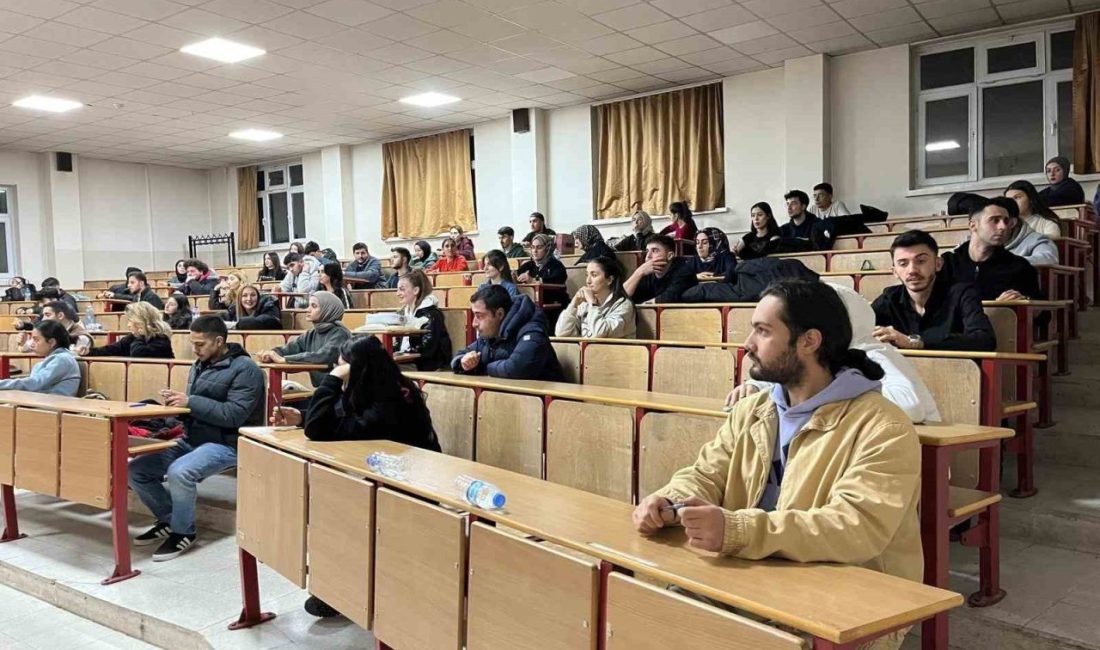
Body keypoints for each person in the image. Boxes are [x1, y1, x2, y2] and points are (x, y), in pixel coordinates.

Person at [633, 280, 922, 643]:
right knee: (640, 606)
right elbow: (707, 473)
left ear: (809, 341)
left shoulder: (884, 427)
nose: (747, 344)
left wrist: (737, 530)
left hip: (848, 599)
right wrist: (670, 501)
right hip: (756, 573)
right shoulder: (754, 410)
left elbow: (855, 529)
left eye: (763, 331)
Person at [269, 335, 440, 619]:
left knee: (345, 515)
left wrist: (333, 378)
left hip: (408, 489)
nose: (340, 373)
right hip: (377, 479)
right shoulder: (371, 387)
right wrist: (300, 416)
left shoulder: (392, 401)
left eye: (343, 367)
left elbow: (321, 430)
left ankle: (350, 589)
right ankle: (340, 587)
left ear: (357, 370)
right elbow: (334, 419)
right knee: (333, 508)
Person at [129, 315, 265, 561]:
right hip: (192, 438)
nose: (194, 349)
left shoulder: (247, 369)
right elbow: (196, 407)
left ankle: (184, 531)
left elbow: (234, 415)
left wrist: (190, 402)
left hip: (228, 442)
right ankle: (170, 520)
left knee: (180, 472)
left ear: (219, 341)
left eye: (200, 344)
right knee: (136, 470)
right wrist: (175, 405)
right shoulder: (199, 364)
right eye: (193, 343)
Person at [728, 283, 941, 424]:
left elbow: (911, 405)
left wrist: (837, 396)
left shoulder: (875, 353)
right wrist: (757, 386)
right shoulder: (826, 357)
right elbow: (802, 377)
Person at [871, 230, 996, 352]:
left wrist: (914, 342)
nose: (912, 270)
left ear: (938, 264)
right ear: (895, 272)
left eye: (921, 261)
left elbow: (985, 339)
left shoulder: (962, 293)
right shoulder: (889, 298)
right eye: (903, 264)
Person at [452, 285, 563, 380]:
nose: (474, 324)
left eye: (479, 316)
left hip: (550, 401)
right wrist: (463, 362)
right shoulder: (490, 334)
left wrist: (481, 366)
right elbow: (460, 355)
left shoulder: (532, 332)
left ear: (500, 314)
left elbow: (516, 368)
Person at [941, 198, 1043, 301]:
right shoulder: (947, 263)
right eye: (995, 220)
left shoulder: (1019, 267)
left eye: (1006, 221)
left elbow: (1040, 312)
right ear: (973, 225)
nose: (1003, 227)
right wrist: (995, 308)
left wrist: (1021, 302)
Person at [259, 292, 352, 387]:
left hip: (340, 392)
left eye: (314, 306)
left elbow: (324, 356)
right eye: (309, 305)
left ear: (328, 310)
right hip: (322, 389)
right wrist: (271, 354)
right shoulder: (311, 333)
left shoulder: (340, 333)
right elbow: (290, 349)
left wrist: (285, 360)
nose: (307, 309)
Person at [555, 256, 636, 339]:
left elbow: (599, 334)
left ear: (609, 280)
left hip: (614, 351)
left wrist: (593, 303)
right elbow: (561, 333)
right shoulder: (584, 304)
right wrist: (573, 305)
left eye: (594, 275)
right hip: (588, 351)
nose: (588, 281)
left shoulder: (624, 305)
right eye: (587, 275)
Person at [0, 320, 81, 396]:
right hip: (40, 403)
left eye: (36, 340)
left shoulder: (63, 359)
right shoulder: (46, 362)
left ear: (52, 342)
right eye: (32, 339)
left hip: (55, 407)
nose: (31, 344)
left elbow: (34, 383)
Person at [393, 270, 452, 371]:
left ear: (416, 290)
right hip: (407, 361)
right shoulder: (403, 313)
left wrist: (404, 354)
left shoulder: (432, 314)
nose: (397, 293)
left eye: (402, 289)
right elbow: (398, 344)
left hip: (427, 365)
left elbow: (427, 349)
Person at [84, 301, 174, 358]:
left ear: (140, 322)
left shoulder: (161, 339)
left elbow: (138, 354)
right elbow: (112, 349)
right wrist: (89, 351)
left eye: (131, 321)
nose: (128, 325)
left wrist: (141, 336)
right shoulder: (133, 338)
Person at [623, 235, 698, 304]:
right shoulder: (646, 272)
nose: (648, 256)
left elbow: (671, 296)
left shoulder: (684, 269)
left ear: (670, 256)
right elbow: (621, 297)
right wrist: (638, 273)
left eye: (655, 251)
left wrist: (645, 304)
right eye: (647, 251)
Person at [1002, 198, 1059, 266]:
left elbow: (1048, 259)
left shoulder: (1037, 240)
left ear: (1012, 223)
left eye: (996, 220)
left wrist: (1007, 263)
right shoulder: (989, 244)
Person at [515, 234, 568, 305]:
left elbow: (556, 286)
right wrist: (514, 278)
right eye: (533, 247)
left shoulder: (557, 266)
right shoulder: (527, 266)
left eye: (539, 247)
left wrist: (533, 281)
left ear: (547, 248)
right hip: (531, 303)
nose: (535, 251)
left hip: (553, 305)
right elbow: (518, 276)